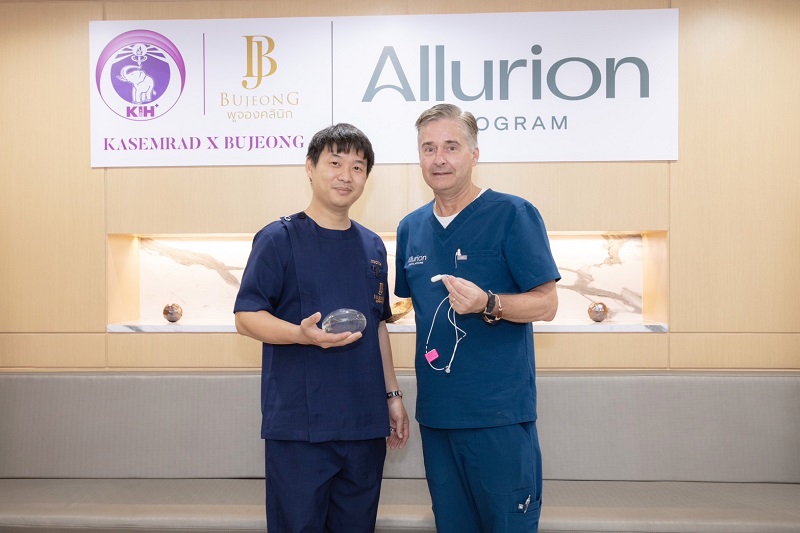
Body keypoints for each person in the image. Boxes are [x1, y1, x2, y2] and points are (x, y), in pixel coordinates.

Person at [234, 123, 409, 533]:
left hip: (364, 424)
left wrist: (393, 396)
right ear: (310, 167)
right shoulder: (278, 238)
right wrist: (300, 335)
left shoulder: (373, 246)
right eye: (335, 162)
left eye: (358, 167)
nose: (346, 175)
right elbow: (246, 317)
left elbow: (378, 326)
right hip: (300, 427)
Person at [394, 104, 560, 533]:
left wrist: (489, 302)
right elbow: (413, 308)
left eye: (451, 147)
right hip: (438, 417)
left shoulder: (513, 214)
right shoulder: (410, 229)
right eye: (428, 148)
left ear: (474, 154)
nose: (439, 159)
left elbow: (547, 304)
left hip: (498, 418)